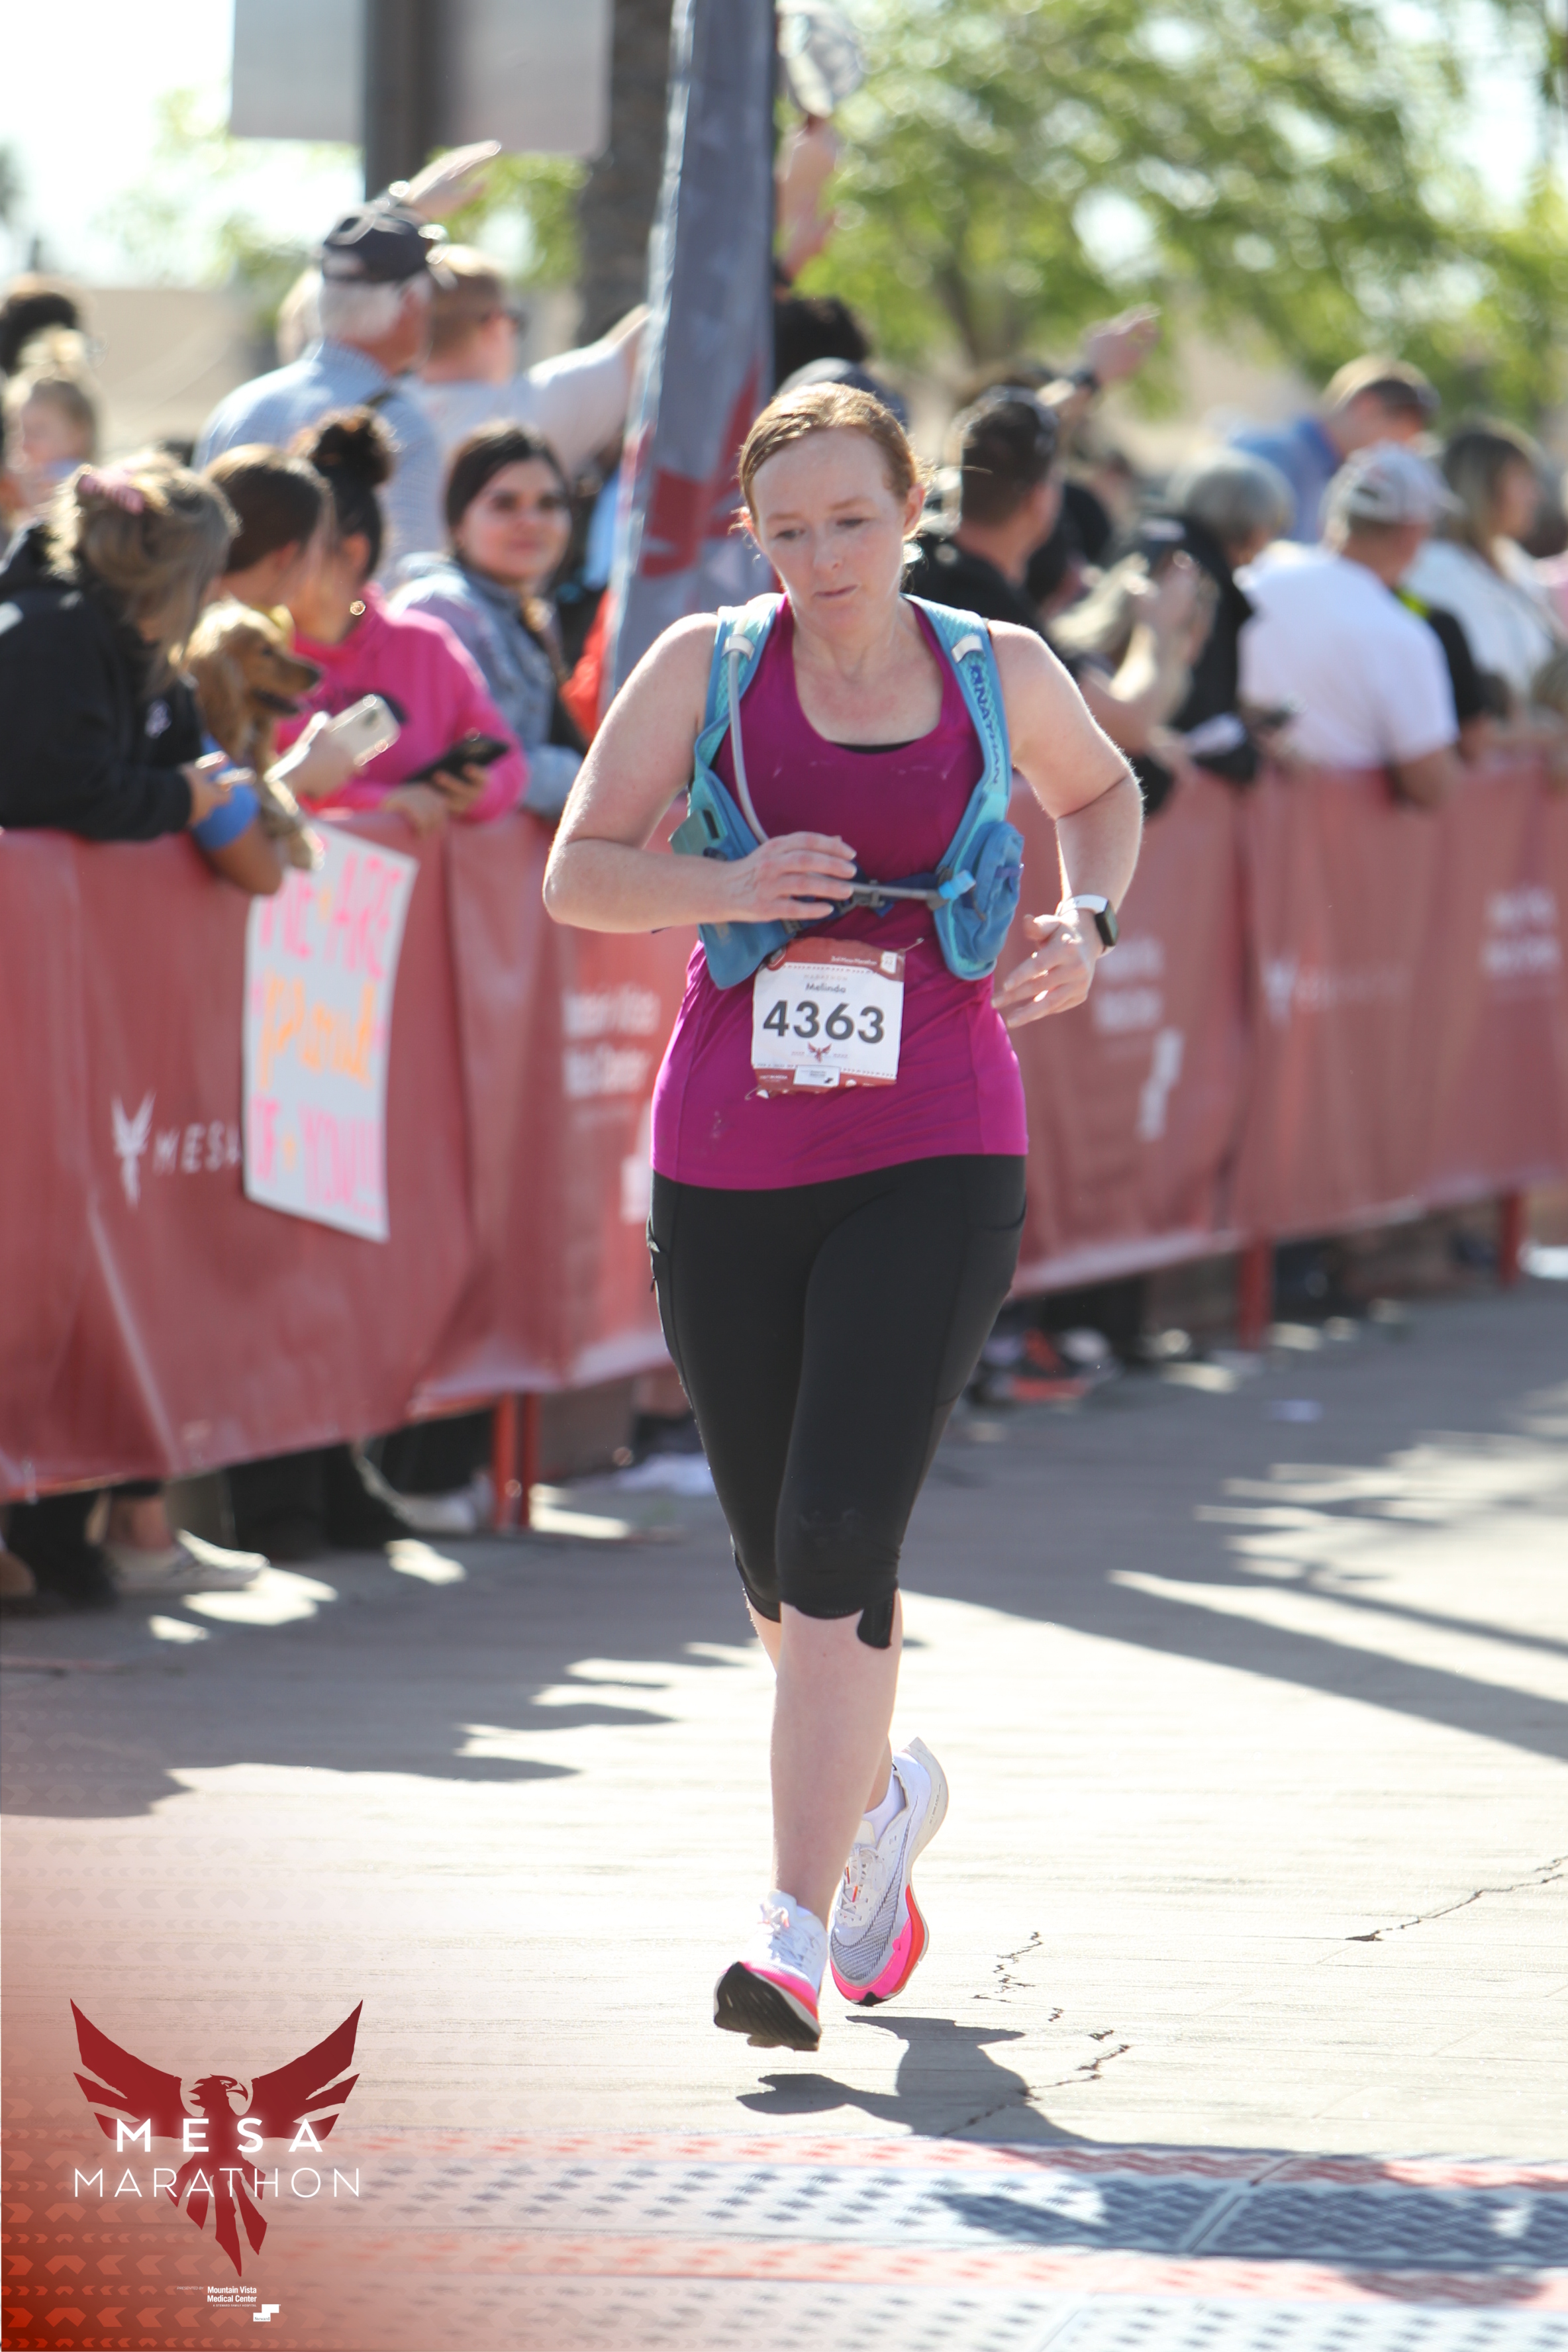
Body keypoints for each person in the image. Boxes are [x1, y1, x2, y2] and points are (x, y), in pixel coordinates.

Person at [542, 381, 1140, 2051]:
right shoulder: (707, 668)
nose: (822, 558)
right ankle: (874, 1814)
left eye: (852, 521)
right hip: (728, 1154)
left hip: (934, 1143)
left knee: (830, 1536)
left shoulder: (995, 670)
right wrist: (726, 884)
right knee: (772, 1564)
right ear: (754, 535)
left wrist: (1087, 919)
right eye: (789, 530)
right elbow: (577, 871)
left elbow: (1103, 794)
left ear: (913, 510)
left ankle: (789, 1935)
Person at [0, 452, 283, 893]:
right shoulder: (49, 637)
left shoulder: (148, 659)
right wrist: (180, 798)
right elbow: (62, 790)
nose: (216, 594)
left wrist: (209, 792)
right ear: (177, 580)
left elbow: (259, 866)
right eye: (210, 575)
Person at [275, 409, 527, 834]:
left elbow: (510, 763)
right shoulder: (255, 655)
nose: (274, 562)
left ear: (352, 553)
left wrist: (482, 791)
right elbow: (247, 792)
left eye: (292, 547)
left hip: (421, 876)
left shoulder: (426, 645)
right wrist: (382, 806)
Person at [195, 202, 450, 577]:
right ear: (411, 304)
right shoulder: (403, 426)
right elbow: (403, 581)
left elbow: (200, 561)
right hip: (345, 617)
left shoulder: (239, 406)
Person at [1237, 443, 1461, 805]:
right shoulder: (1403, 635)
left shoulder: (1252, 581)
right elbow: (1431, 784)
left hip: (1231, 826)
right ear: (1412, 533)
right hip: (1324, 833)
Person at [390, 422, 587, 818]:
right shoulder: (439, 609)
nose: (531, 521)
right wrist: (587, 777)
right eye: (505, 504)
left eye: (549, 504)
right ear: (458, 522)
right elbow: (464, 765)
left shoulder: (529, 613)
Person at [1132, 449, 1296, 785]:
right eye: (1271, 530)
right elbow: (1197, 714)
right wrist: (1247, 757)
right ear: (1253, 529)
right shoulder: (1201, 581)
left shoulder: (1142, 542)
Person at [411, 246, 646, 480]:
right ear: (497, 325)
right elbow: (642, 342)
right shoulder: (522, 413)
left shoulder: (397, 412)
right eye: (515, 321)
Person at [1401, 422, 1566, 715]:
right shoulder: (1436, 572)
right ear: (1481, 487)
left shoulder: (1514, 563)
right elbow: (1483, 690)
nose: (1537, 496)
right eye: (1523, 480)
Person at [1230, 354, 1439, 543]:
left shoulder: (1336, 472)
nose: (1404, 451)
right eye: (1401, 436)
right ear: (1368, 407)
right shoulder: (1275, 458)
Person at [1, 327, 99, 527]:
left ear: (77, 433)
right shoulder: (30, 481)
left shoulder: (72, 482)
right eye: (18, 430)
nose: (24, 443)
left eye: (38, 431)